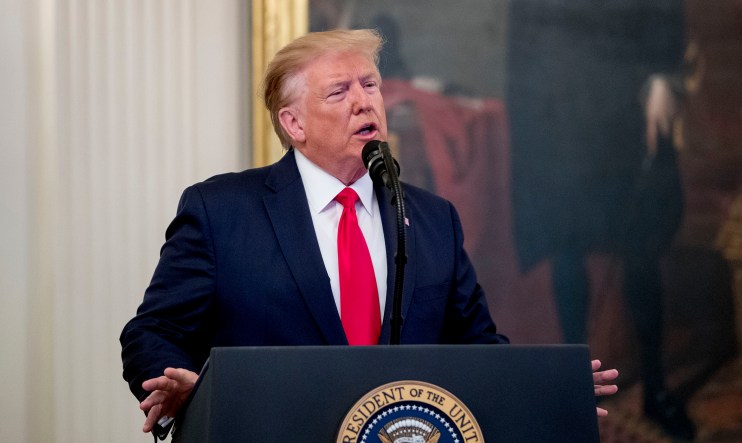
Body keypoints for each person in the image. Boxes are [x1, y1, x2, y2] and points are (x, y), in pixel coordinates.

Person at [120, 29, 619, 437]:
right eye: (340, 91)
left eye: (371, 85)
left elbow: (476, 348)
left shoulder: (431, 218)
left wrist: (547, 392)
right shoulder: (221, 210)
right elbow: (153, 332)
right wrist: (183, 388)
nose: (365, 103)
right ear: (293, 122)